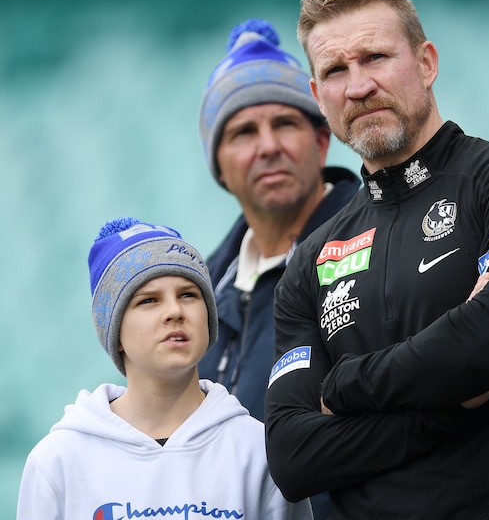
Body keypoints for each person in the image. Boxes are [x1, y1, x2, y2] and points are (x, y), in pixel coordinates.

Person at [264, 0, 489, 519]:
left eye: (375, 58)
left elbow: (485, 345)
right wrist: (450, 409)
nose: (359, 85)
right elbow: (293, 458)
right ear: (320, 97)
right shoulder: (311, 260)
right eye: (336, 71)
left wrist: (343, 385)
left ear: (426, 63)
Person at [17, 217, 311, 520]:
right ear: (114, 332)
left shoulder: (257, 451)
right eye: (149, 300)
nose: (174, 311)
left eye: (188, 294)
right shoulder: (59, 461)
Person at [197, 18, 360, 519]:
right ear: (219, 166)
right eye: (244, 132)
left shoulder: (378, 243)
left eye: (285, 124)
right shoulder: (197, 293)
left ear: (321, 141)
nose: (268, 146)